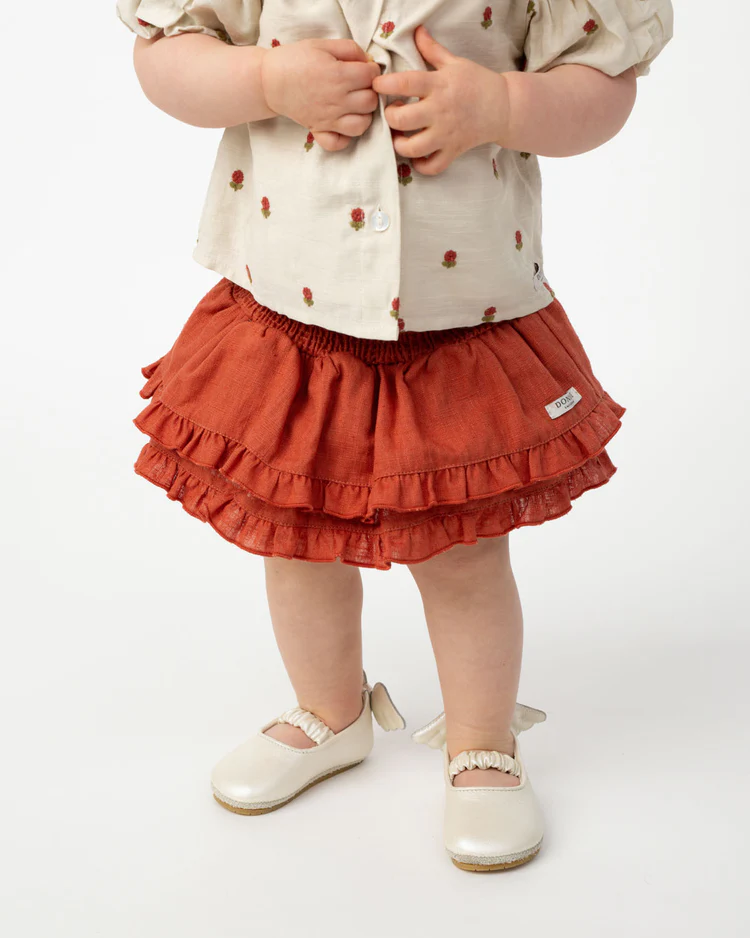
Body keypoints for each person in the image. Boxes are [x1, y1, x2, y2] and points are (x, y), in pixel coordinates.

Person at [116, 0, 674, 872]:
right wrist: (263, 79)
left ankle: (483, 742)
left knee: (462, 555)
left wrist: (502, 106)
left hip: (459, 322)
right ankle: (328, 712)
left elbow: (603, 79)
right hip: (295, 314)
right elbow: (167, 53)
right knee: (295, 538)